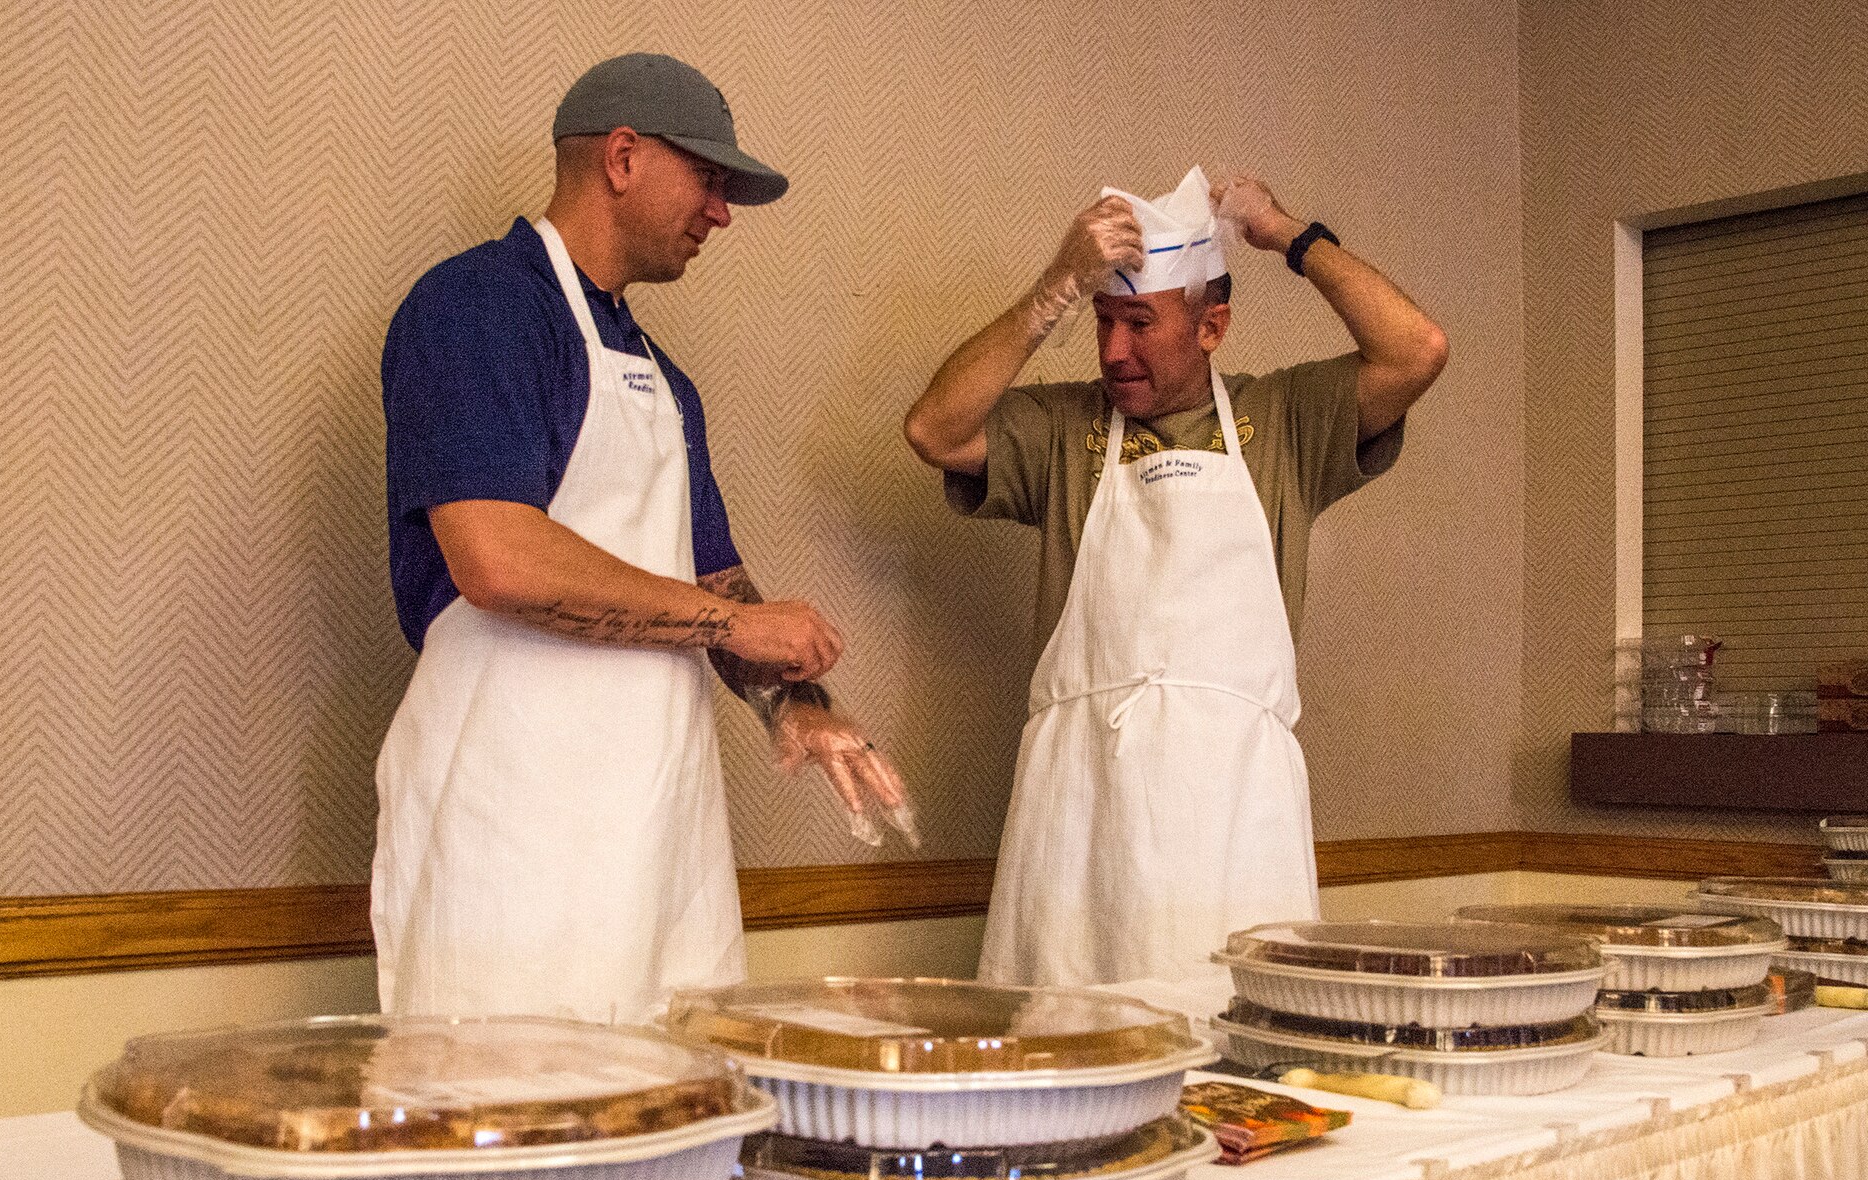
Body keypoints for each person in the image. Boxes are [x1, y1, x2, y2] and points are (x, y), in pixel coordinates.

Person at [373, 53, 909, 1024]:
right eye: (707, 179)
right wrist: (728, 626)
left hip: (656, 830)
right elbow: (496, 557)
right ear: (621, 157)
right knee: (513, 1126)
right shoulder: (479, 310)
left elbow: (715, 578)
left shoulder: (663, 382)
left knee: (674, 1111)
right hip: (514, 825)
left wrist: (796, 703)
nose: (720, 212)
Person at [904, 168, 1447, 988]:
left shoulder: (1287, 424)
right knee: (1069, 1052)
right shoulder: (1065, 428)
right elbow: (934, 429)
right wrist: (1053, 289)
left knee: (1233, 1055)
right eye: (1102, 321)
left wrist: (1288, 234)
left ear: (1211, 326)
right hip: (1079, 813)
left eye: (1140, 323)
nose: (1114, 350)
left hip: (1233, 814)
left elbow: (1418, 349)